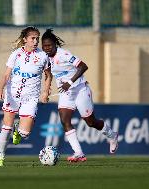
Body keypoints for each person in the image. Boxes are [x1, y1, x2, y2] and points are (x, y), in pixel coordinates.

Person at [41, 29, 118, 162]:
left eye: (49, 45)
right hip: (66, 93)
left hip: (80, 90)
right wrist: (46, 91)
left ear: (55, 44)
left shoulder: (64, 54)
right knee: (64, 120)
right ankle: (79, 153)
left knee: (91, 122)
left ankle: (112, 135)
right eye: (44, 46)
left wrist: (70, 82)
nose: (47, 48)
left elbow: (83, 66)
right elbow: (49, 74)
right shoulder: (46, 57)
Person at [0, 26, 52, 166]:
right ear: (25, 39)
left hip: (30, 98)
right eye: (32, 38)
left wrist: (45, 92)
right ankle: (0, 158)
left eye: (37, 38)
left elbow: (48, 76)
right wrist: (0, 88)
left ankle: (18, 129)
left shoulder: (43, 56)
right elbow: (6, 74)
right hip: (12, 95)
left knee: (24, 133)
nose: (35, 41)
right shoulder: (15, 54)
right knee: (6, 127)